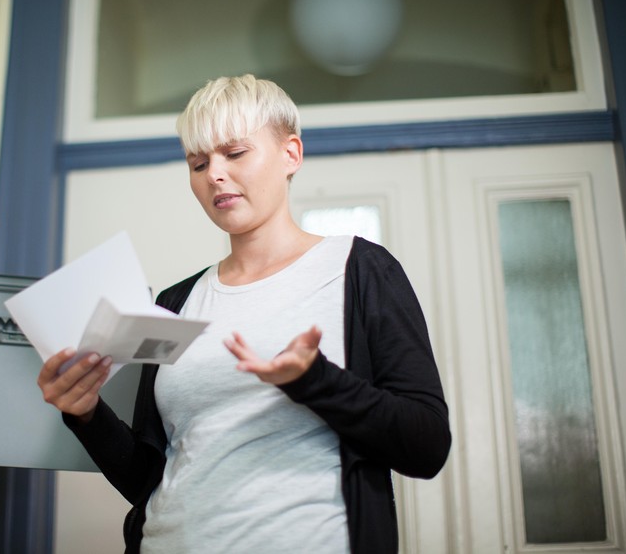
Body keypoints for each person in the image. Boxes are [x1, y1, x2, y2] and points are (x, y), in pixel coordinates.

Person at [37, 74, 451, 553]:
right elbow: (151, 482)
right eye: (198, 162)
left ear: (290, 154)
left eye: (234, 154)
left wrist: (315, 380)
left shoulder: (360, 270)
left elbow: (426, 445)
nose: (214, 174)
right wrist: (86, 415)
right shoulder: (175, 304)